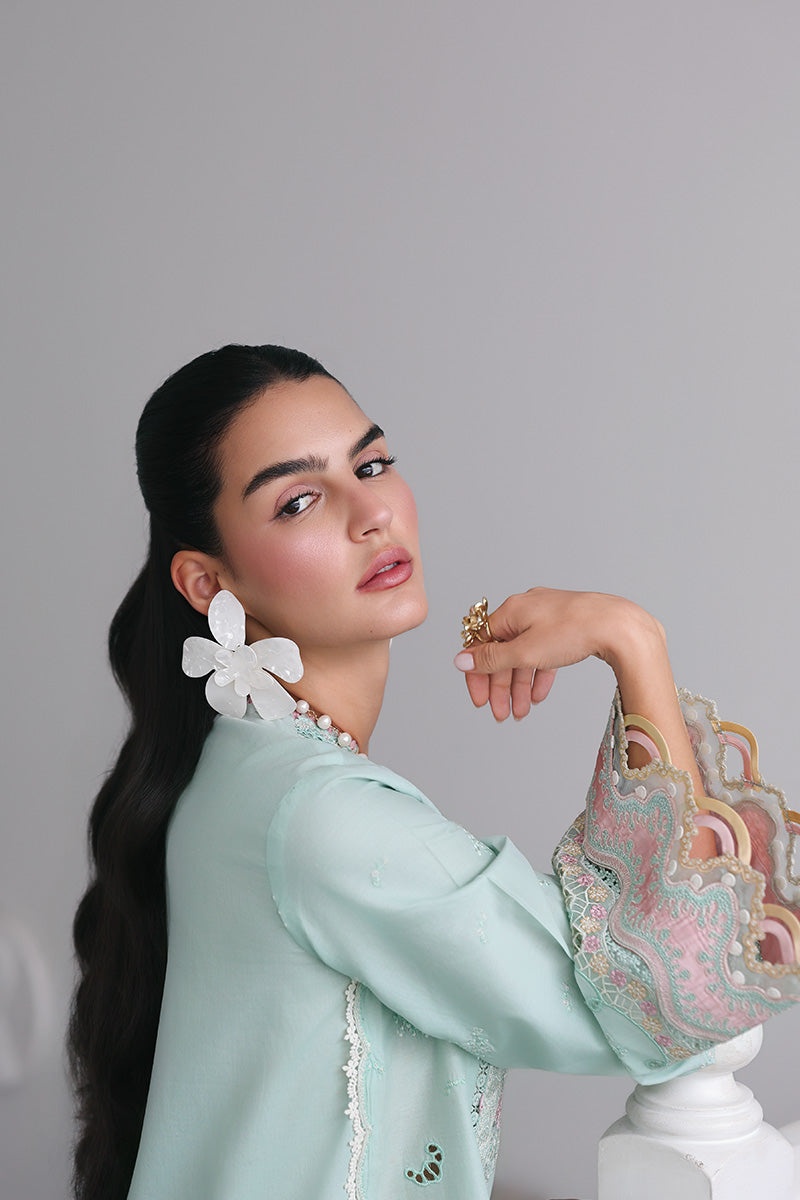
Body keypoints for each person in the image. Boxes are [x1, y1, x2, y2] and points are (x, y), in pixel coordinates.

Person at [68, 344, 799, 1200]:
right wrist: (633, 640)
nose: (370, 514)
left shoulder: (241, 775)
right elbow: (675, 998)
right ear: (206, 581)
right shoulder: (321, 820)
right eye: (298, 500)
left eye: (371, 464)